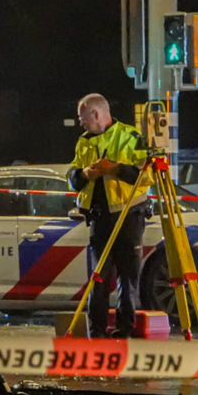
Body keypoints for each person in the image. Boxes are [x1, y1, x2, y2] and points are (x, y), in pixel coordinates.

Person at [68, 94, 152, 339]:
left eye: (82, 117)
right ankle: (97, 331)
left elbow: (148, 175)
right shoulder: (84, 142)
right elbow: (73, 176)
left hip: (128, 216)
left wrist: (115, 169)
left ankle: (124, 330)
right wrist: (85, 174)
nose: (80, 122)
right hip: (99, 218)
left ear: (95, 114)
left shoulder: (129, 136)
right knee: (99, 277)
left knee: (128, 277)